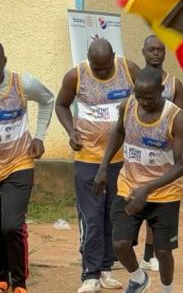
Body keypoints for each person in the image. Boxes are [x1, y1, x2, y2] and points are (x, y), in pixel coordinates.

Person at [55, 39, 139, 293]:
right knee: (92, 218)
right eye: (96, 67)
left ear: (114, 56)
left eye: (104, 68)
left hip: (121, 160)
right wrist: (71, 131)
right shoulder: (75, 75)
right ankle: (89, 274)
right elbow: (61, 105)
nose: (100, 72)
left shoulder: (129, 70)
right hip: (88, 160)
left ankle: (105, 269)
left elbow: (145, 100)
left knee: (112, 217)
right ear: (89, 60)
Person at [92, 68, 183, 293]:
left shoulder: (176, 118)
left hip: (165, 194)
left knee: (163, 251)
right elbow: (119, 131)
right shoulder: (128, 105)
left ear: (162, 91)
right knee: (120, 244)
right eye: (139, 96)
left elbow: (182, 164)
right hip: (129, 187)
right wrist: (103, 166)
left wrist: (149, 188)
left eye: (150, 98)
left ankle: (167, 289)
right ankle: (138, 278)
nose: (144, 102)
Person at [0, 43, 54, 293]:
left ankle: (19, 281)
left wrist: (40, 136)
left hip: (19, 161)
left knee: (11, 224)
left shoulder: (23, 84)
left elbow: (48, 99)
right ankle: (1, 276)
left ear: (4, 61)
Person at [139, 35, 183, 272]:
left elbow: (180, 119)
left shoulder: (175, 84)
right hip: (137, 155)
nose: (156, 53)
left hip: (163, 154)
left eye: (160, 49)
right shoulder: (135, 80)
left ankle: (150, 254)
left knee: (156, 205)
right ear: (143, 51)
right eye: (151, 49)